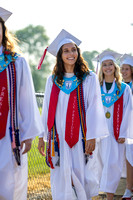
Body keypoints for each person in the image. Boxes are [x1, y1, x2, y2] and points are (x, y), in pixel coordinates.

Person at [38, 29, 109, 200]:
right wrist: (42, 137)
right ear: (60, 55)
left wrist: (92, 136)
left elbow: (94, 108)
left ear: (78, 52)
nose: (71, 53)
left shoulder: (88, 78)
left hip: (81, 137)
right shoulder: (53, 80)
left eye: (74, 49)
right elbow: (47, 108)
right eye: (66, 50)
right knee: (61, 176)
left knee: (81, 174)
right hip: (59, 138)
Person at [0, 7, 44, 200]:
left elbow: (26, 100)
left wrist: (28, 134)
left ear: (3, 31)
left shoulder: (16, 62)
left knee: (10, 181)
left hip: (10, 131)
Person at [93, 50, 133, 200]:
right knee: (100, 163)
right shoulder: (96, 87)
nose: (108, 67)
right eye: (104, 65)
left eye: (110, 64)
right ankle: (102, 194)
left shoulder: (124, 89)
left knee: (113, 165)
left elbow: (129, 112)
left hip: (116, 133)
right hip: (100, 133)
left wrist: (124, 133)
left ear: (115, 67)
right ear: (101, 68)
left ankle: (110, 196)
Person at [120, 54, 133, 199]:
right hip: (124, 127)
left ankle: (129, 189)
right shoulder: (121, 87)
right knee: (128, 157)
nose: (123, 72)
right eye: (122, 69)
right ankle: (129, 188)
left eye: (127, 69)